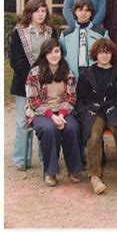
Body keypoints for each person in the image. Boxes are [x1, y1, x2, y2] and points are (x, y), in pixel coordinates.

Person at [75, 39, 117, 195]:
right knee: (93, 136)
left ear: (112, 54)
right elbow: (79, 100)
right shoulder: (86, 75)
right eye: (101, 52)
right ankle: (94, 176)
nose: (104, 56)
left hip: (114, 110)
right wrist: (85, 112)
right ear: (96, 54)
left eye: (107, 52)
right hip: (94, 111)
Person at [25, 38, 83, 187]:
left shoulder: (66, 71)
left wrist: (62, 115)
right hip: (41, 113)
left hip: (63, 111)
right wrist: (52, 116)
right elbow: (33, 100)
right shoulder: (35, 73)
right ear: (44, 54)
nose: (53, 55)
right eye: (49, 52)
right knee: (49, 129)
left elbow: (70, 96)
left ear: (61, 53)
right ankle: (50, 172)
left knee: (72, 128)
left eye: (56, 51)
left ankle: (74, 169)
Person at [10, 0, 57, 171]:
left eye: (43, 11)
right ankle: (21, 159)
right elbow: (15, 60)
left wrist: (44, 77)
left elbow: (55, 55)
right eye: (37, 11)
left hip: (46, 83)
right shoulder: (19, 32)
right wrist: (32, 78)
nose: (40, 14)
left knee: (43, 120)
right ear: (29, 13)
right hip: (23, 83)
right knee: (22, 122)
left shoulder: (51, 32)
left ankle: (45, 157)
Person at [60, 0, 109, 79]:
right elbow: (62, 55)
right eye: (80, 10)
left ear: (91, 13)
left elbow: (108, 53)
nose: (83, 13)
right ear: (75, 12)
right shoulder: (66, 34)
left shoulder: (101, 33)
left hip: (95, 73)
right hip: (72, 74)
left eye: (87, 10)